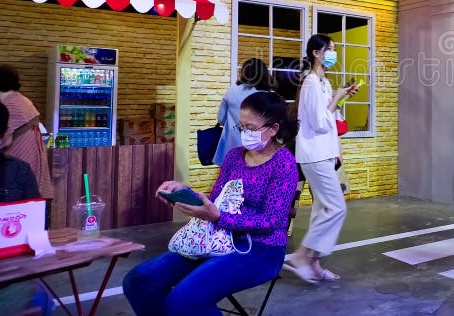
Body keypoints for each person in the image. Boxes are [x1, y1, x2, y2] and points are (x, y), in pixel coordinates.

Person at [123, 91, 299, 315]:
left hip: (260, 249)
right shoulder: (235, 156)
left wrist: (218, 217)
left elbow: (270, 221)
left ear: (273, 129)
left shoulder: (284, 164)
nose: (245, 133)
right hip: (215, 240)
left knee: (184, 301)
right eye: (242, 127)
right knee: (138, 282)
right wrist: (185, 193)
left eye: (251, 128)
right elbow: (217, 200)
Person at [286, 34, 359, 283]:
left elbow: (328, 116)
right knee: (336, 206)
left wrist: (341, 97)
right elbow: (317, 123)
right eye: (331, 49)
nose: (334, 53)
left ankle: (313, 263)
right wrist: (336, 99)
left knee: (322, 210)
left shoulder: (324, 83)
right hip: (314, 155)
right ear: (317, 53)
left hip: (325, 153)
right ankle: (302, 255)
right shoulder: (310, 84)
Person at [0, 98, 53, 316]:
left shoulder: (19, 172)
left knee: (40, 303)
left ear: (4, 135)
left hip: (8, 276)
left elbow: (37, 226)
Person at [0, 64, 53, 202]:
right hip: (30, 171)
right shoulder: (24, 100)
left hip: (13, 177)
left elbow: (4, 141)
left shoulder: (8, 105)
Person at [213, 58, 276, 165]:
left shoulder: (232, 91)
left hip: (231, 145)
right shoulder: (269, 95)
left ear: (244, 72)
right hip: (259, 148)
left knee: (231, 179)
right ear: (264, 73)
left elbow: (221, 119)